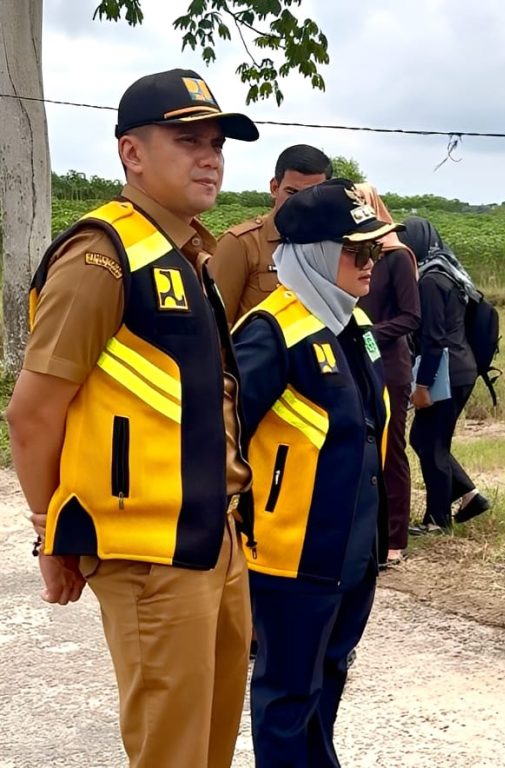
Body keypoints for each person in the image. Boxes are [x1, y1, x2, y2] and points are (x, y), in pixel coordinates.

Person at [7, 68, 259, 767]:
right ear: (132, 153)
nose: (209, 158)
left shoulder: (191, 255)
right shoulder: (102, 257)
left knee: (209, 746)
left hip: (214, 538)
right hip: (150, 554)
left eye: (216, 144)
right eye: (188, 141)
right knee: (170, 752)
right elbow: (32, 414)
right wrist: (50, 530)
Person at [232, 178, 395, 767]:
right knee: (287, 694)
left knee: (328, 682)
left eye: (375, 250)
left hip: (350, 551)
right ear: (317, 254)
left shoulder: (352, 324)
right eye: (357, 250)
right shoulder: (271, 332)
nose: (370, 262)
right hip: (292, 554)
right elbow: (221, 436)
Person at [400, 217, 491, 533]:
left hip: (446, 370)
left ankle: (438, 520)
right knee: (425, 438)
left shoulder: (430, 281)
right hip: (460, 366)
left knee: (432, 443)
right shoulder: (448, 272)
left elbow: (434, 339)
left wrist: (423, 385)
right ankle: (469, 495)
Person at [355, 183, 421, 566]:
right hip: (353, 362)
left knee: (390, 449)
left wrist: (365, 333)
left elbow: (411, 317)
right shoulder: (347, 255)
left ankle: (395, 537)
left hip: (389, 365)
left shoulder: (396, 256)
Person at [209, 143, 332, 325]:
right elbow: (215, 326)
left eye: (312, 195)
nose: (301, 204)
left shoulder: (331, 245)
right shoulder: (241, 244)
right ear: (275, 187)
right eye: (292, 193)